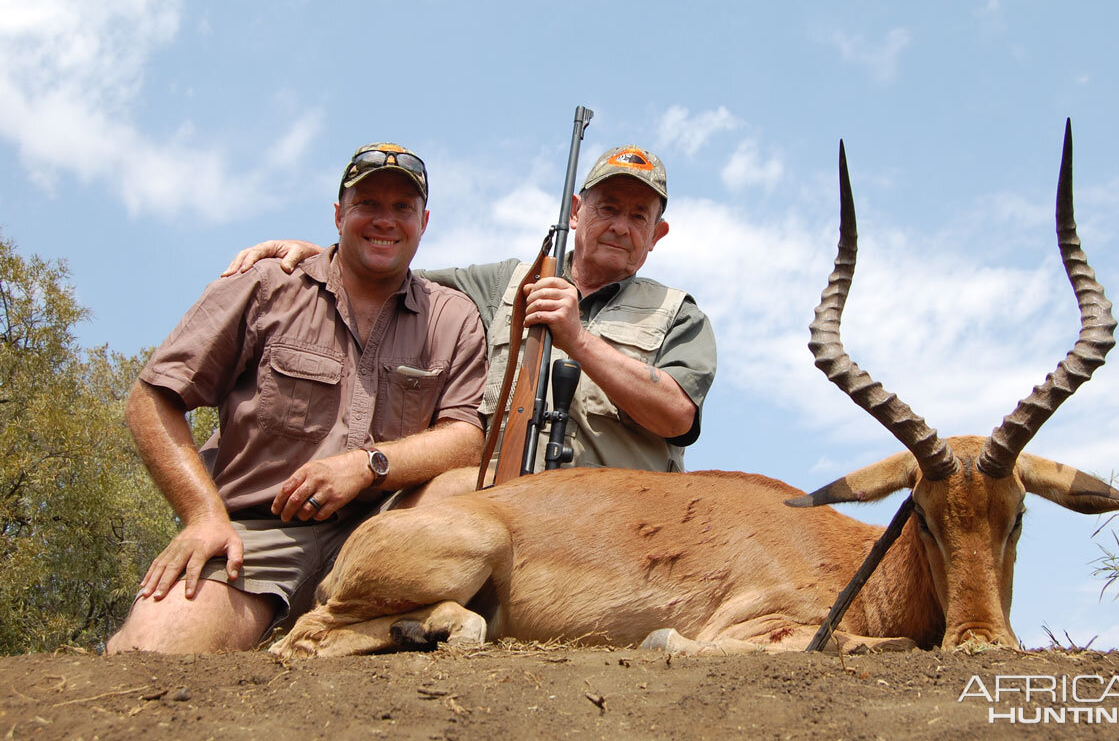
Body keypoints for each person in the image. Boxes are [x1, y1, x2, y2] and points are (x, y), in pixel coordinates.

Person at [107, 144, 488, 653]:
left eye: (402, 208)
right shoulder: (267, 285)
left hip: (384, 539)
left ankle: (360, 620)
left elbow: (466, 440)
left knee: (470, 487)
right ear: (338, 215)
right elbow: (150, 400)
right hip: (256, 536)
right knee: (150, 653)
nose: (385, 220)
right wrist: (203, 516)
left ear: (424, 222)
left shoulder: (454, 317)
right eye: (367, 204)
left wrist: (367, 465)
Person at [225, 145, 716, 477]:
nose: (620, 226)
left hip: (606, 528)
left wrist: (579, 342)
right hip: (492, 510)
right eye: (607, 208)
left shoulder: (679, 315)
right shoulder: (504, 282)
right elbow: (393, 277)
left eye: (638, 217)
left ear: (657, 235)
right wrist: (322, 252)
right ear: (575, 211)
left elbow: (676, 416)